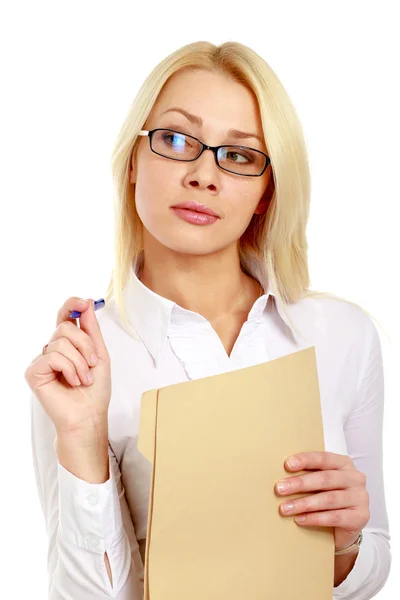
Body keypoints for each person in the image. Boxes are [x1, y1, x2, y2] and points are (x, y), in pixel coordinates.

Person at [24, 40, 391, 599]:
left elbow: (374, 562)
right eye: (175, 140)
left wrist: (344, 544)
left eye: (239, 156)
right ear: (132, 161)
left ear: (266, 192)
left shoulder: (343, 336)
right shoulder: (85, 364)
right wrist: (81, 436)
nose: (203, 175)